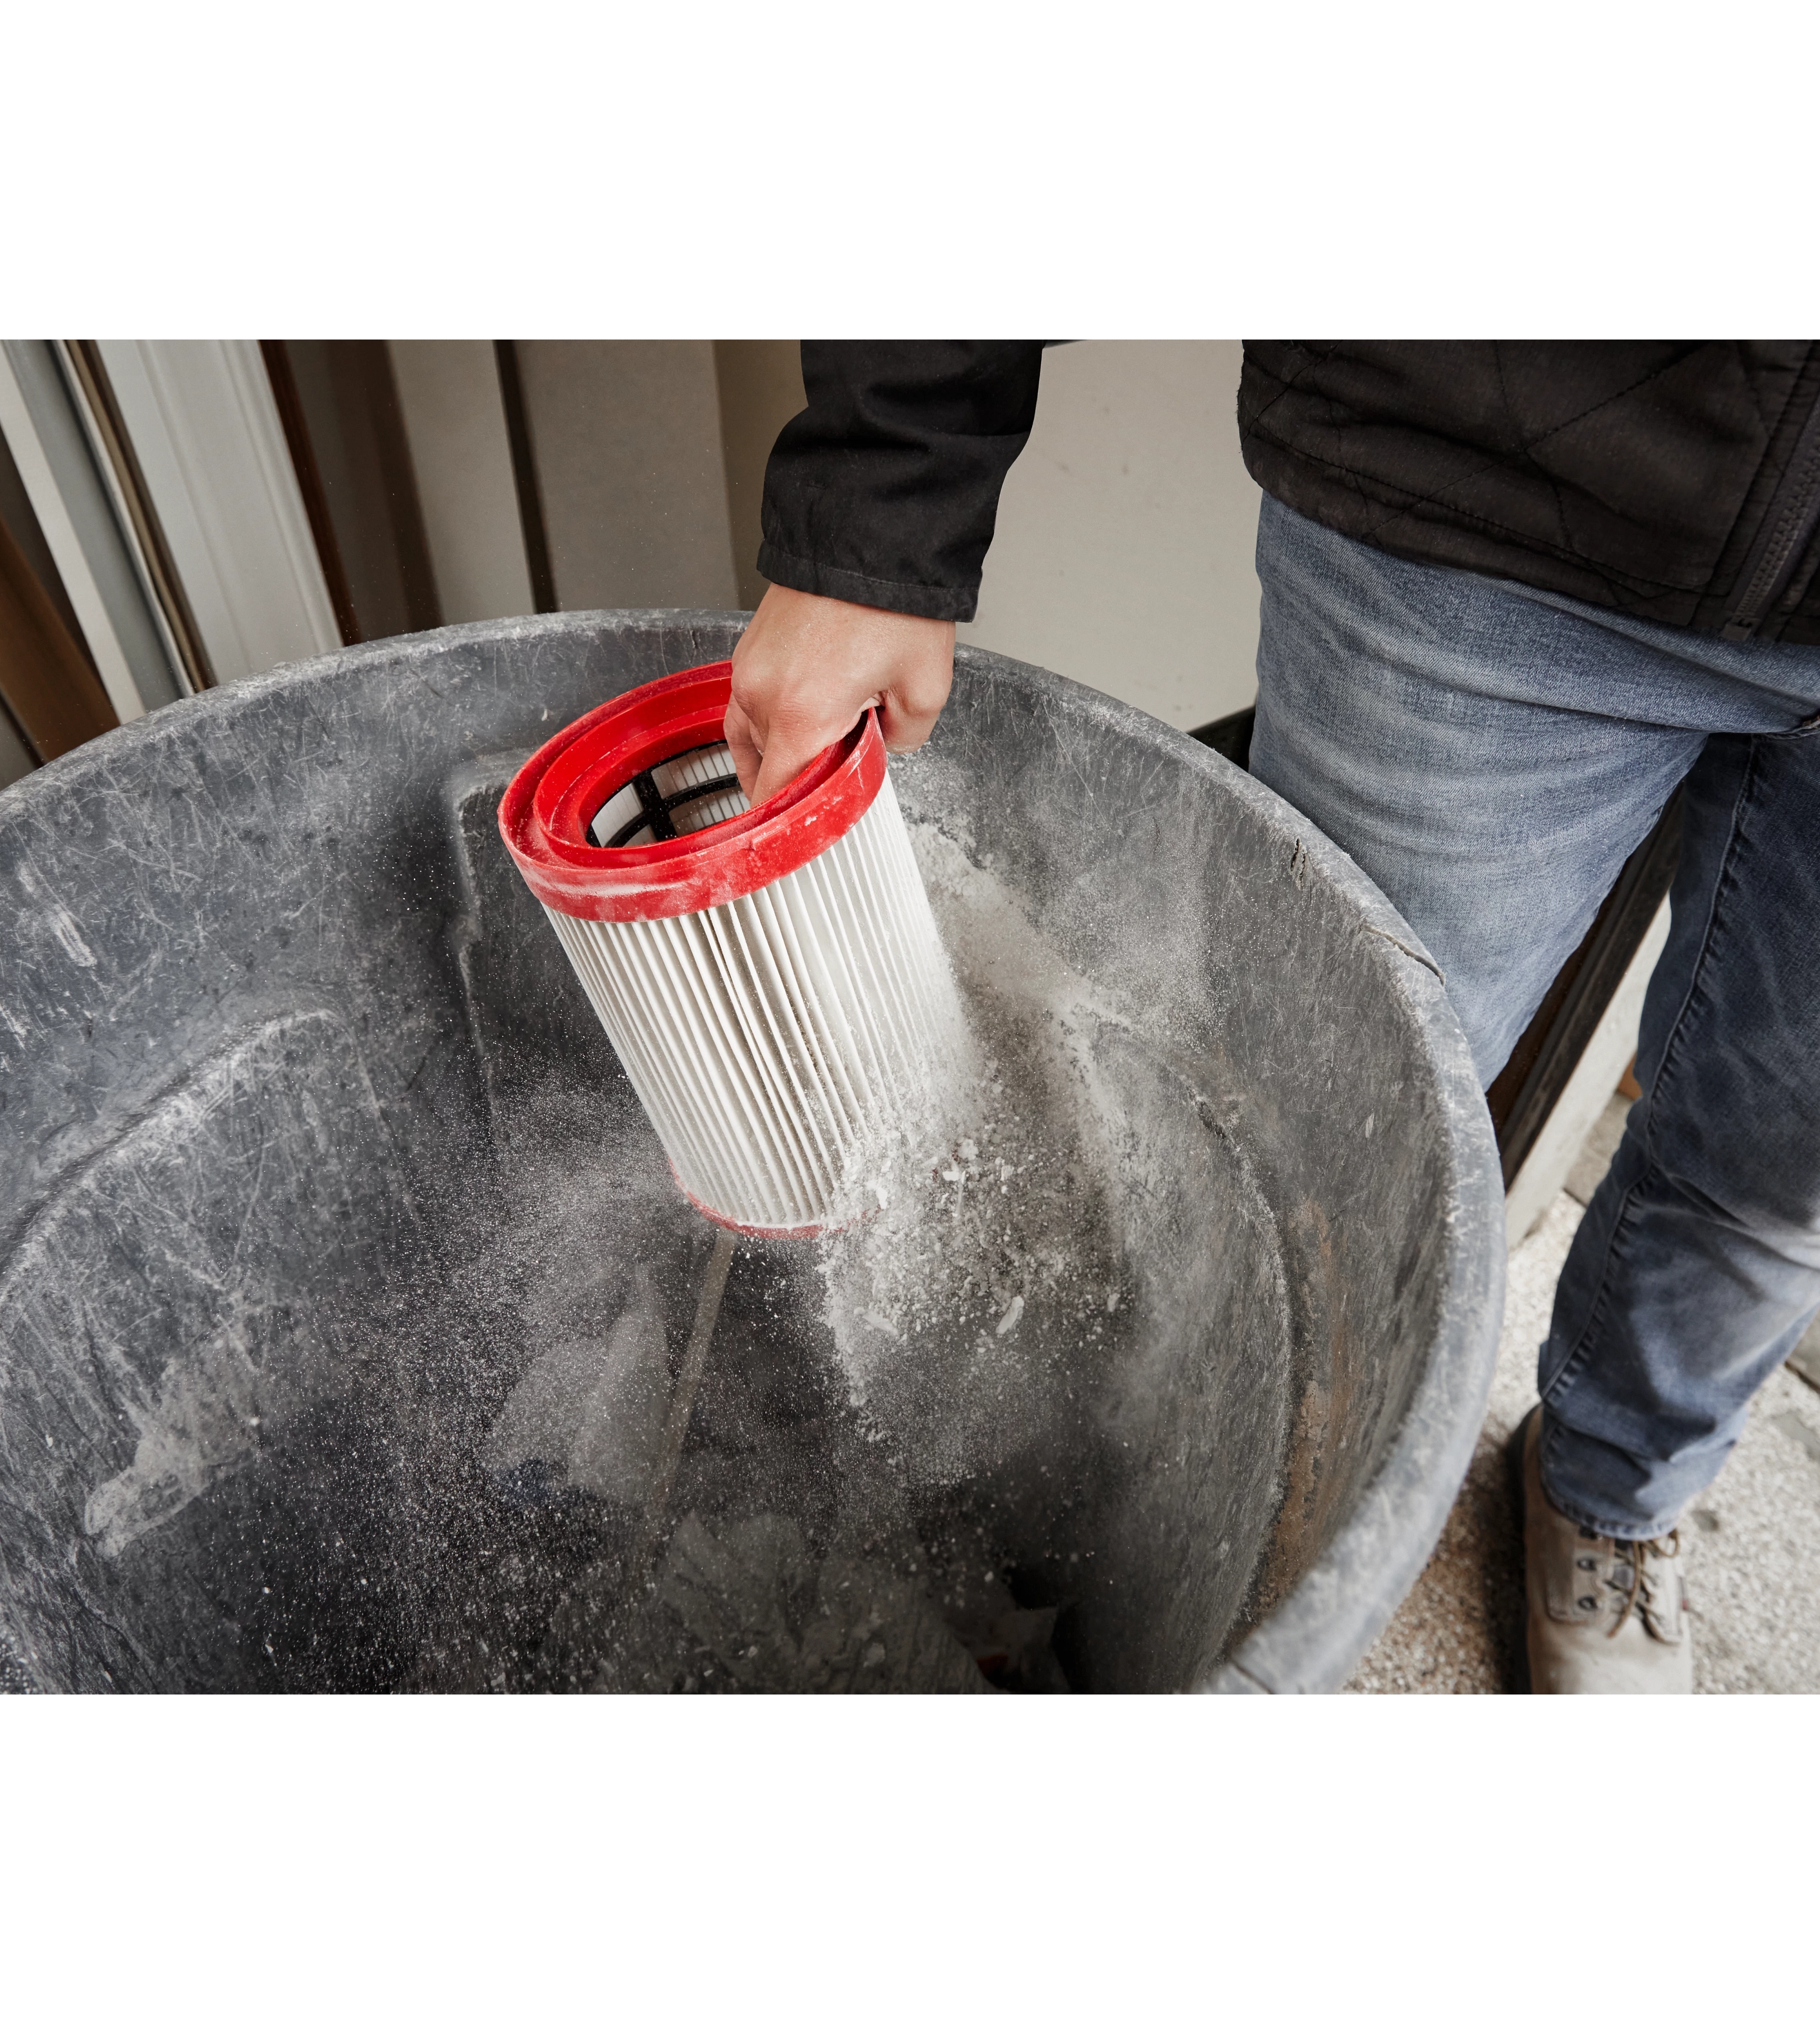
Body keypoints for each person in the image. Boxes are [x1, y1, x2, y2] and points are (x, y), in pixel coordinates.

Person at [724, 338, 1820, 1697]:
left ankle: (1611, 1497)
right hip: (1503, 501)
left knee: (1780, 1176)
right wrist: (874, 511)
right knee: (1302, 1188)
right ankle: (1100, 1563)